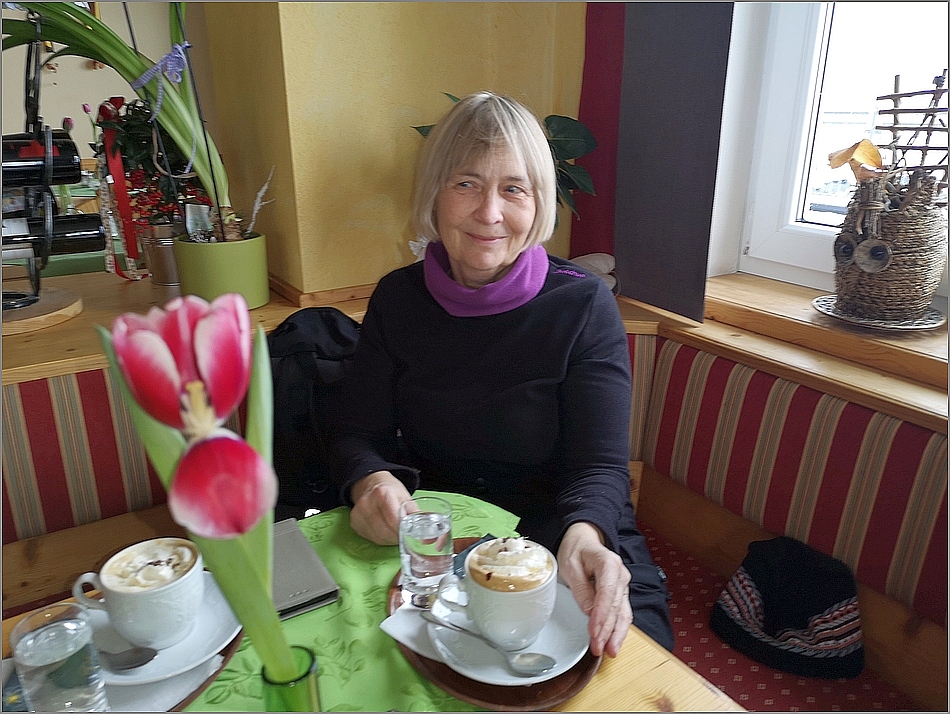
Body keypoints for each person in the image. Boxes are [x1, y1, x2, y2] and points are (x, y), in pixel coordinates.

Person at [333, 91, 674, 656]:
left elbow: (599, 466)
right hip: (442, 533)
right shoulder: (397, 298)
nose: (489, 213)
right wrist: (371, 481)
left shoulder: (583, 306)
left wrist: (585, 534)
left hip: (565, 524)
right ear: (434, 194)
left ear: (539, 203)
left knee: (632, 662)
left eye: (514, 188)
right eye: (466, 183)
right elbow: (356, 433)